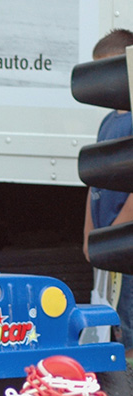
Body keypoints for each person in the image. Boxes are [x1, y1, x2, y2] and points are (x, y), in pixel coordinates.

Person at [83, 28, 133, 357]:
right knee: (110, 323)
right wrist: (90, 234)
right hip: (108, 246)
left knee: (128, 323)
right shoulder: (107, 122)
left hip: (125, 246)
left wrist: (115, 232)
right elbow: (95, 181)